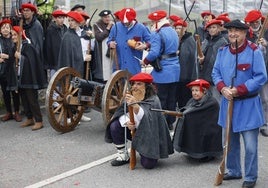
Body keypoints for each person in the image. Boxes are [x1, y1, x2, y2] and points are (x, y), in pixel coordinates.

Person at [212, 19, 267, 188]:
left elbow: (261, 77)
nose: (232, 34)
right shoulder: (222, 51)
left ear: (245, 33)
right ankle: (234, 170)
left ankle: (250, 177)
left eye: (237, 31)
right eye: (230, 31)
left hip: (248, 105)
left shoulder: (254, 51)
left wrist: (239, 89)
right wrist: (222, 88)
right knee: (229, 143)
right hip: (228, 104)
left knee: (250, 146)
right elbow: (215, 73)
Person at [105, 72, 173, 169]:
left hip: (148, 135)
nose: (135, 87)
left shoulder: (154, 100)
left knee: (148, 164)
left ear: (147, 86)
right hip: (133, 130)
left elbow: (149, 121)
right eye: (134, 83)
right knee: (115, 125)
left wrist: (136, 107)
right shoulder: (131, 96)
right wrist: (127, 122)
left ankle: (145, 151)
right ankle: (123, 155)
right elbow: (120, 112)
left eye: (139, 84)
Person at [142, 10, 180, 130]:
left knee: (161, 99)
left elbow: (154, 53)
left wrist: (145, 61)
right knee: (172, 98)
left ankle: (161, 124)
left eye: (153, 22)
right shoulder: (173, 31)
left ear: (157, 22)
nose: (152, 24)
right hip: (175, 69)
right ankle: (170, 123)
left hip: (163, 71)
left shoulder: (157, 33)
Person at [173, 79, 222, 162]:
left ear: (204, 91)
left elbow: (197, 112)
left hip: (210, 128)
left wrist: (186, 114)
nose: (194, 93)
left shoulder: (212, 102)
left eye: (197, 90)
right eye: (192, 90)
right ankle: (192, 150)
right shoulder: (192, 100)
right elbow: (189, 110)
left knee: (203, 130)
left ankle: (207, 153)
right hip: (199, 125)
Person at [57, 11, 91, 122]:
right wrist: (83, 58)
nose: (70, 23)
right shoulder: (68, 36)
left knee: (80, 89)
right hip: (71, 67)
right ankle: (69, 116)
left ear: (78, 22)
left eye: (73, 21)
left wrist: (90, 37)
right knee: (71, 91)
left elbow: (84, 46)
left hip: (81, 66)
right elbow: (68, 55)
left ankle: (79, 113)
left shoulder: (81, 33)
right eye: (69, 21)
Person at [12, 26, 47, 130]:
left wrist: (21, 58)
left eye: (14, 35)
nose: (12, 37)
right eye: (12, 35)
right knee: (24, 99)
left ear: (20, 36)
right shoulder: (15, 47)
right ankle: (29, 118)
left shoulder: (28, 47)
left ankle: (39, 120)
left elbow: (31, 62)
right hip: (20, 78)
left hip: (29, 78)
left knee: (32, 100)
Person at [244, 10, 268, 137]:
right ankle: (251, 122)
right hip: (250, 72)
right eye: (252, 23)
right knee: (250, 98)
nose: (255, 24)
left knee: (265, 99)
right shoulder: (247, 34)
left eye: (257, 22)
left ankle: (265, 124)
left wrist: (266, 44)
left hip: (265, 72)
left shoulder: (267, 32)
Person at [107, 8, 151, 75]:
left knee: (134, 82)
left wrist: (145, 45)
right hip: (118, 63)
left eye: (128, 21)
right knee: (119, 83)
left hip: (134, 64)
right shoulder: (115, 27)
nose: (125, 22)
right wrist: (110, 43)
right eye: (123, 21)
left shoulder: (141, 28)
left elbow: (151, 41)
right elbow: (109, 40)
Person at [199, 19, 228, 103]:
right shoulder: (206, 41)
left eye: (214, 27)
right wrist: (200, 60)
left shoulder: (223, 42)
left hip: (215, 78)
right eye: (210, 28)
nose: (211, 29)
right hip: (204, 76)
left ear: (218, 29)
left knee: (216, 101)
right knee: (204, 101)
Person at [0, 19, 22, 122]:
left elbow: (16, 55)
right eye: (3, 27)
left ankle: (16, 112)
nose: (5, 29)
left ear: (10, 29)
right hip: (3, 70)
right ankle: (9, 112)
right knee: (5, 93)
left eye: (7, 27)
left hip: (13, 69)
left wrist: (8, 56)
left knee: (15, 92)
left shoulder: (14, 39)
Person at [173, 19, 197, 108]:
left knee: (185, 99)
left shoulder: (189, 40)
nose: (178, 30)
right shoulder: (178, 40)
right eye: (177, 28)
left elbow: (189, 57)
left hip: (186, 75)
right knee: (179, 98)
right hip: (178, 75)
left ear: (185, 28)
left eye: (180, 28)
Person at [44, 9, 67, 80]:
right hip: (54, 61)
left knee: (63, 81)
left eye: (63, 18)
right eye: (60, 18)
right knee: (54, 81)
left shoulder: (66, 29)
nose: (62, 20)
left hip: (64, 60)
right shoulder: (50, 30)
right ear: (55, 18)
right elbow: (48, 47)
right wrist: (49, 63)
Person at [92, 9, 114, 82]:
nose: (107, 18)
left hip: (111, 51)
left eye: (108, 16)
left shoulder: (114, 25)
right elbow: (99, 37)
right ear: (101, 18)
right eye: (105, 17)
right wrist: (108, 28)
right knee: (103, 71)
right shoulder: (96, 25)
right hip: (101, 51)